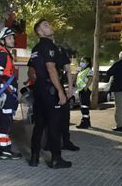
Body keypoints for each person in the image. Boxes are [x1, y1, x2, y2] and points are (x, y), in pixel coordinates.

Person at [28, 19, 72, 168]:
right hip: (49, 88)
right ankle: (56, 159)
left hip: (39, 88)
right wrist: (60, 91)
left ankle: (34, 157)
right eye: (46, 25)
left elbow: (31, 70)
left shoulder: (35, 48)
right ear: (39, 32)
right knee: (54, 124)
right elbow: (51, 68)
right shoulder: (49, 46)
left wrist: (36, 81)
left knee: (39, 124)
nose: (50, 26)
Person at [0, 27, 22, 160]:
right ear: (2, 41)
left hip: (5, 92)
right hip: (5, 93)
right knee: (6, 122)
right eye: (9, 38)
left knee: (1, 120)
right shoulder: (3, 55)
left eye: (13, 37)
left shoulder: (6, 54)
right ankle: (6, 151)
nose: (13, 40)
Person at [57, 45, 80, 151]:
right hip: (55, 88)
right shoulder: (61, 53)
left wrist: (70, 88)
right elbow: (68, 71)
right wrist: (70, 88)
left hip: (52, 88)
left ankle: (62, 142)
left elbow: (68, 71)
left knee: (60, 117)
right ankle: (62, 142)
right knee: (61, 117)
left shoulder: (54, 51)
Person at [76, 57, 93, 129]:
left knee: (84, 107)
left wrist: (86, 87)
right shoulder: (81, 71)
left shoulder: (88, 70)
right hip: (81, 90)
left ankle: (85, 123)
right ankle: (87, 123)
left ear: (88, 63)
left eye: (83, 61)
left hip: (85, 90)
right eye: (81, 61)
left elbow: (90, 79)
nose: (81, 62)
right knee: (83, 106)